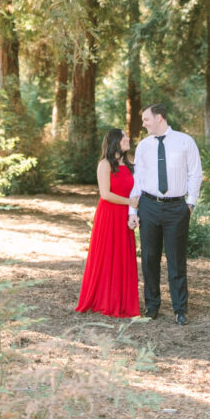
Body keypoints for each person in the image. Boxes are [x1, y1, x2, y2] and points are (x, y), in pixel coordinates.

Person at [128, 103, 202, 326]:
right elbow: (137, 180)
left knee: (176, 260)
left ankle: (180, 309)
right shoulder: (143, 146)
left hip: (176, 208)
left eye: (146, 119)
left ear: (159, 118)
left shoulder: (185, 141)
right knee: (149, 258)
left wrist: (190, 204)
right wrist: (133, 210)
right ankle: (152, 306)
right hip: (149, 206)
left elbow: (195, 174)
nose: (143, 123)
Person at [75, 128, 140, 317]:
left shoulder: (131, 165)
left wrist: (133, 211)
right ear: (115, 141)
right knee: (106, 255)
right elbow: (105, 194)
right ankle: (103, 300)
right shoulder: (104, 164)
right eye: (124, 137)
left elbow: (136, 190)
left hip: (125, 216)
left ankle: (122, 301)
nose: (128, 138)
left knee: (123, 256)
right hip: (109, 214)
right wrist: (129, 202)